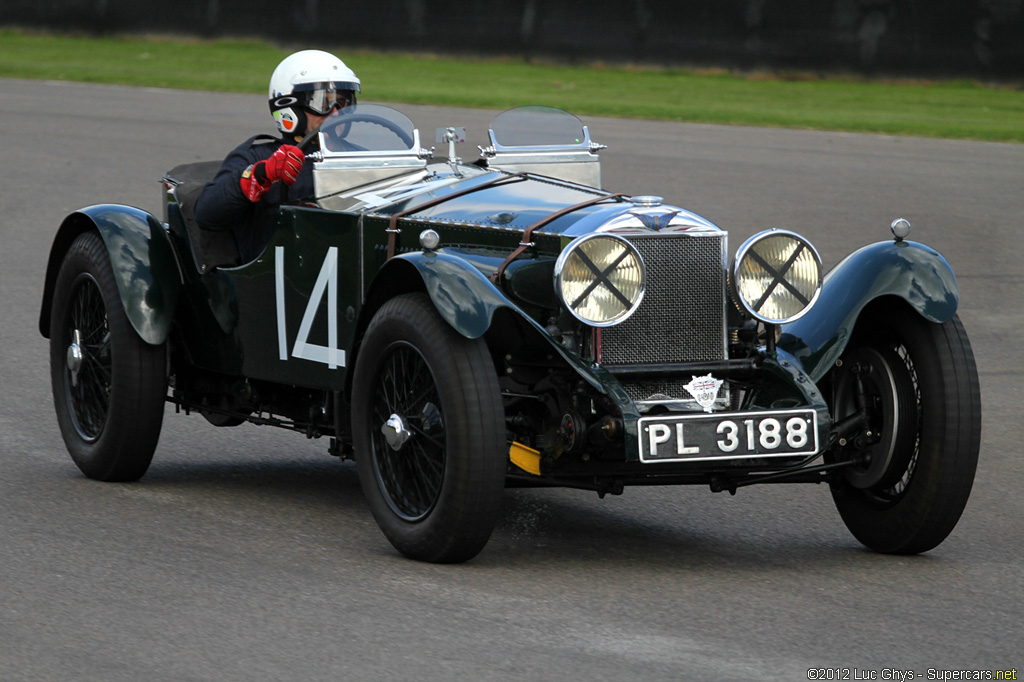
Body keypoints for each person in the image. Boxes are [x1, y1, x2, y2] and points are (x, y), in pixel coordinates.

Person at [194, 49, 361, 262]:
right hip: (276, 277)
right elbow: (206, 213)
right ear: (289, 107)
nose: (336, 113)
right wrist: (260, 175)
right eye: (323, 103)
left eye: (343, 102)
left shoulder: (359, 157)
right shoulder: (256, 157)